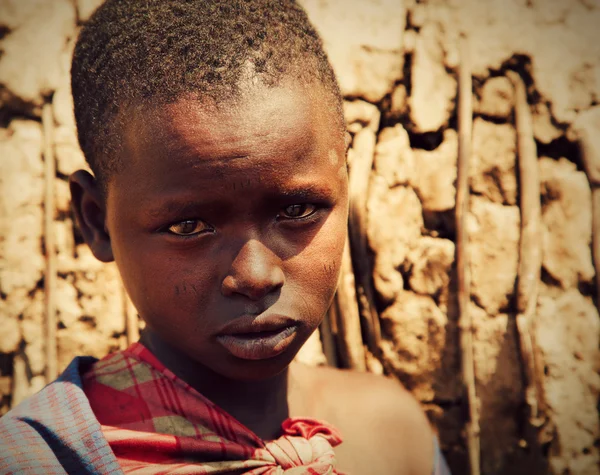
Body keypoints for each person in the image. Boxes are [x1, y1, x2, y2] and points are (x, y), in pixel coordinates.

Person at [0, 1, 451, 473]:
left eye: (297, 210)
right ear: (95, 220)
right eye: (188, 226)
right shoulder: (42, 459)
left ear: (343, 179)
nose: (255, 277)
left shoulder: (391, 432)